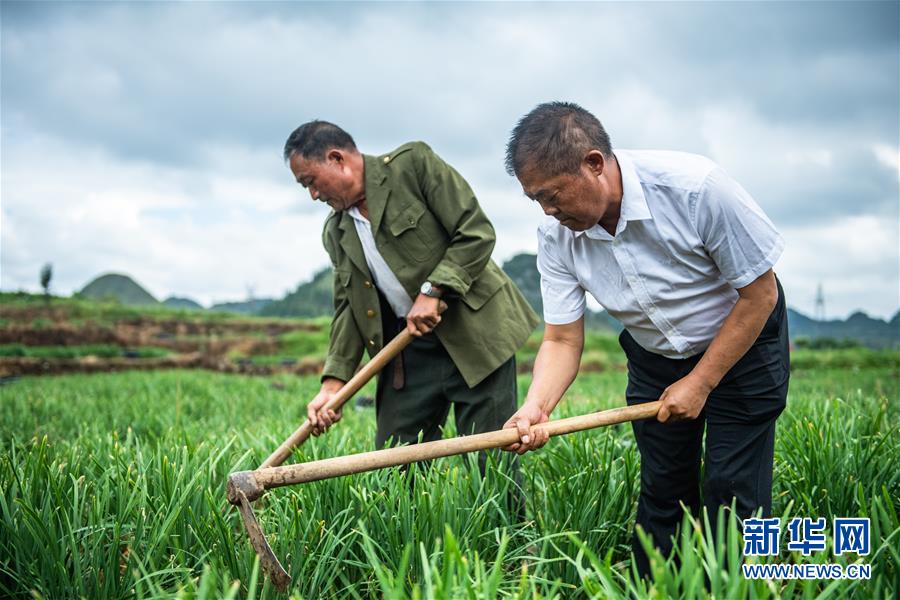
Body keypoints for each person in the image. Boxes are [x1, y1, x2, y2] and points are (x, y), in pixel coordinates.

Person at [501, 102, 789, 576]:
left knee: (733, 490)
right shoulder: (556, 235)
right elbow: (562, 340)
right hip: (655, 355)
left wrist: (701, 382)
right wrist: (537, 406)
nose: (549, 212)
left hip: (744, 346)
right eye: (537, 201)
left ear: (594, 164)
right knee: (663, 488)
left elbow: (759, 295)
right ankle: (654, 587)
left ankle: (743, 587)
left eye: (553, 195)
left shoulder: (696, 189)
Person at [283, 120, 539, 477]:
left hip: (474, 334)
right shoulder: (337, 231)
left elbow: (475, 232)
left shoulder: (412, 166)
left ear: (337, 158)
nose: (312, 195)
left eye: (310, 181)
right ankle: (407, 534)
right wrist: (333, 384)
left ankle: (503, 533)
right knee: (395, 462)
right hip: (407, 350)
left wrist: (433, 290)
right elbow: (348, 308)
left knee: (489, 459)